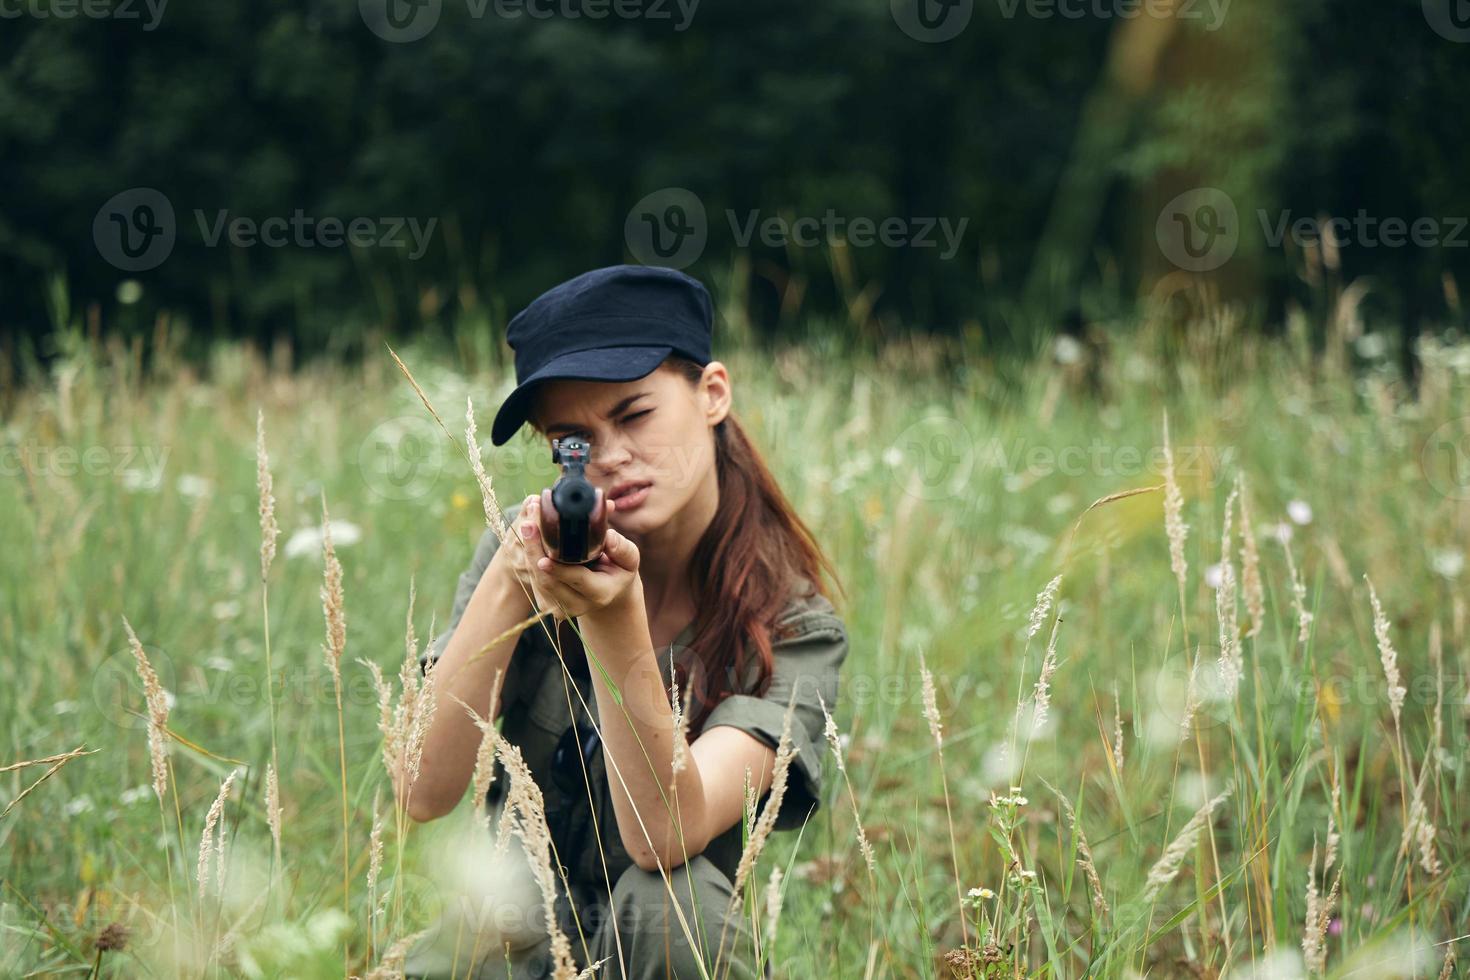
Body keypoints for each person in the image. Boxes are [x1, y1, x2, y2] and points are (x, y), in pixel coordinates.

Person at [398, 265, 849, 979]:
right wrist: (512, 577)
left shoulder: (792, 625)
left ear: (712, 394)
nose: (608, 458)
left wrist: (614, 616)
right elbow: (420, 790)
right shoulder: (522, 555)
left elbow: (662, 838)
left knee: (673, 898)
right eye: (570, 440)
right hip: (504, 935)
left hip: (656, 947)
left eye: (634, 415)